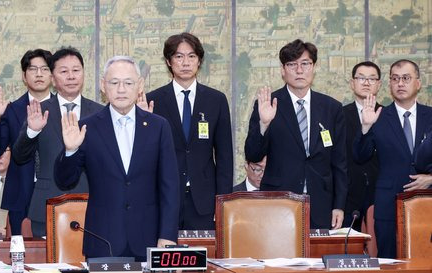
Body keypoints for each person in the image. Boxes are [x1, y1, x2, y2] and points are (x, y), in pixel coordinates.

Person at [54, 56, 179, 261]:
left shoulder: (158, 127)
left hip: (149, 240)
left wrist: (167, 236)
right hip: (103, 241)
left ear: (139, 86)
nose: (121, 89)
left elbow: (170, 186)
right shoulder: (87, 127)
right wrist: (70, 150)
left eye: (128, 83)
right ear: (103, 86)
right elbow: (65, 180)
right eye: (114, 83)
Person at [245, 39, 347, 229]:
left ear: (314, 67)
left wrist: (339, 205)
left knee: (318, 258)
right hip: (279, 202)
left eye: (305, 64)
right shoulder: (268, 104)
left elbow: (339, 162)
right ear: (283, 71)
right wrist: (264, 124)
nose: (299, 70)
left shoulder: (331, 108)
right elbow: (253, 154)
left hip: (321, 203)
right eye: (292, 64)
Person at [13, 47, 102, 237]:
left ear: (83, 74)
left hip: (92, 206)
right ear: (53, 79)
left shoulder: (100, 113)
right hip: (46, 206)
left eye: (76, 70)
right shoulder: (38, 111)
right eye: (64, 71)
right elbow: (20, 157)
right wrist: (32, 131)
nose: (71, 76)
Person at [147, 32, 233, 230]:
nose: (185, 62)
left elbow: (225, 157)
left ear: (199, 61)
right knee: (164, 258)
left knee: (204, 258)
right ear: (169, 61)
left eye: (191, 56)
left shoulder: (216, 100)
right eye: (179, 56)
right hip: (165, 198)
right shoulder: (153, 101)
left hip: (204, 201)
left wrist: (222, 204)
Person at [353, 59, 432, 258]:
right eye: (395, 79)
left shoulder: (430, 116)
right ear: (389, 84)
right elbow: (360, 157)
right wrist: (365, 128)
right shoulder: (378, 117)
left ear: (418, 83)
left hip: (427, 201)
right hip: (389, 204)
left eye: (406, 78)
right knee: (388, 259)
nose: (400, 83)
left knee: (425, 257)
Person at [0, 49, 52, 235]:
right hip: (20, 194)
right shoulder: (12, 109)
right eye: (33, 69)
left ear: (52, 75)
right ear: (24, 76)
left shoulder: (63, 110)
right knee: (20, 253)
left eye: (45, 69)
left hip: (55, 194)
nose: (39, 74)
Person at [342, 61, 382, 231]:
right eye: (361, 78)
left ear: (379, 85)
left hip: (380, 193)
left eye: (372, 79)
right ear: (352, 83)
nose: (366, 83)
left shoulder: (388, 116)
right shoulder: (339, 115)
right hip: (347, 195)